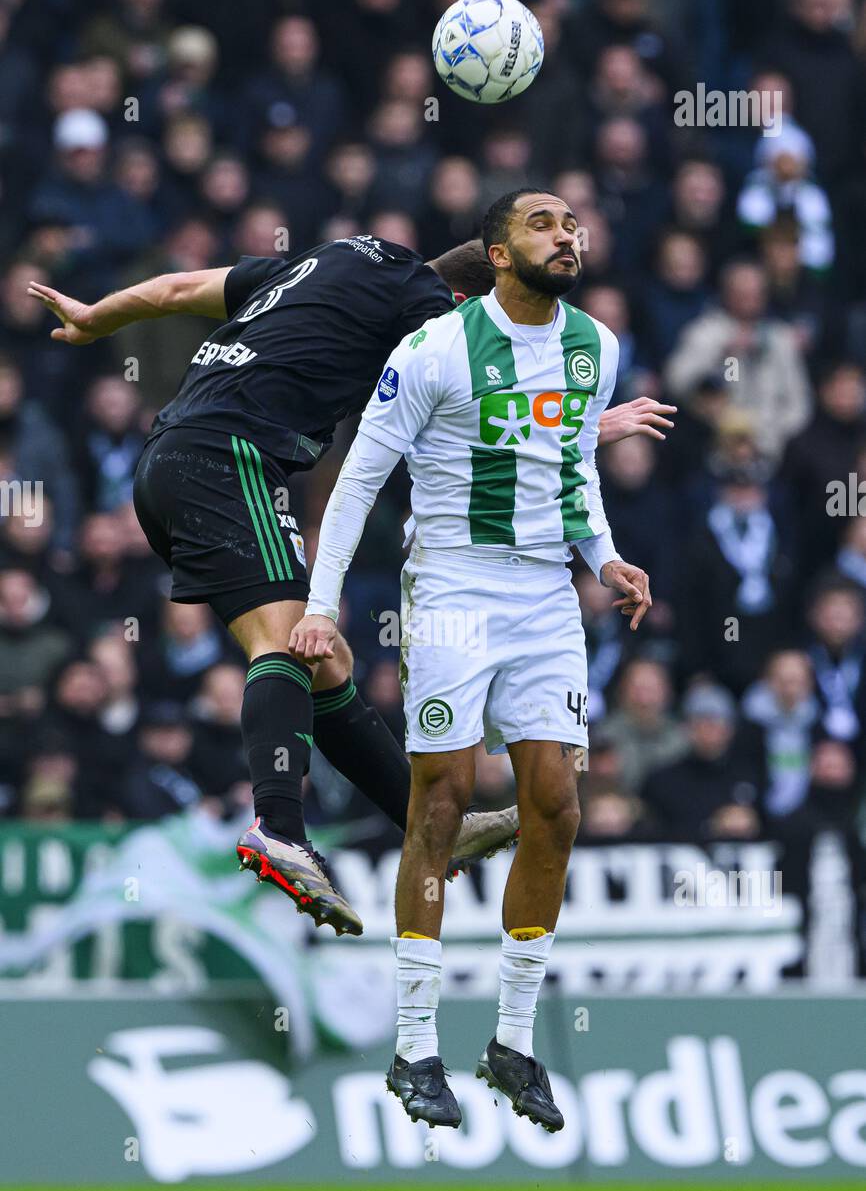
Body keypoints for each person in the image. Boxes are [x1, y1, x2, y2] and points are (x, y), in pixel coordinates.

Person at [290, 189, 671, 1132]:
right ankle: (415, 1045)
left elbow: (573, 468)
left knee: (556, 805)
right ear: (497, 252)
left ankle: (510, 1039)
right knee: (446, 801)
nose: (567, 234)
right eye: (544, 223)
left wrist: (605, 558)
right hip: (454, 588)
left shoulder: (596, 345)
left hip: (546, 595)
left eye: (575, 222)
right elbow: (356, 482)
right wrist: (320, 607)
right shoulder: (432, 350)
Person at [27, 232, 520, 938]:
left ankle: (434, 826)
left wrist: (97, 317)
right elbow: (483, 415)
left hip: (171, 462)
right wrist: (587, 429)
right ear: (466, 301)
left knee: (326, 660)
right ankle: (280, 829)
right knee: (287, 644)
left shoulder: (325, 263)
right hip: (225, 458)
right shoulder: (429, 301)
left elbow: (172, 290)